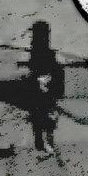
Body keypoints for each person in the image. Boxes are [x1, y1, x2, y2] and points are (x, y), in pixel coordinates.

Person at [24, 20, 64, 158]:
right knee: (42, 116)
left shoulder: (39, 50)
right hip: (43, 89)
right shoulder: (40, 51)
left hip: (42, 88)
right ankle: (44, 142)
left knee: (40, 116)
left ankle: (42, 142)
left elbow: (36, 68)